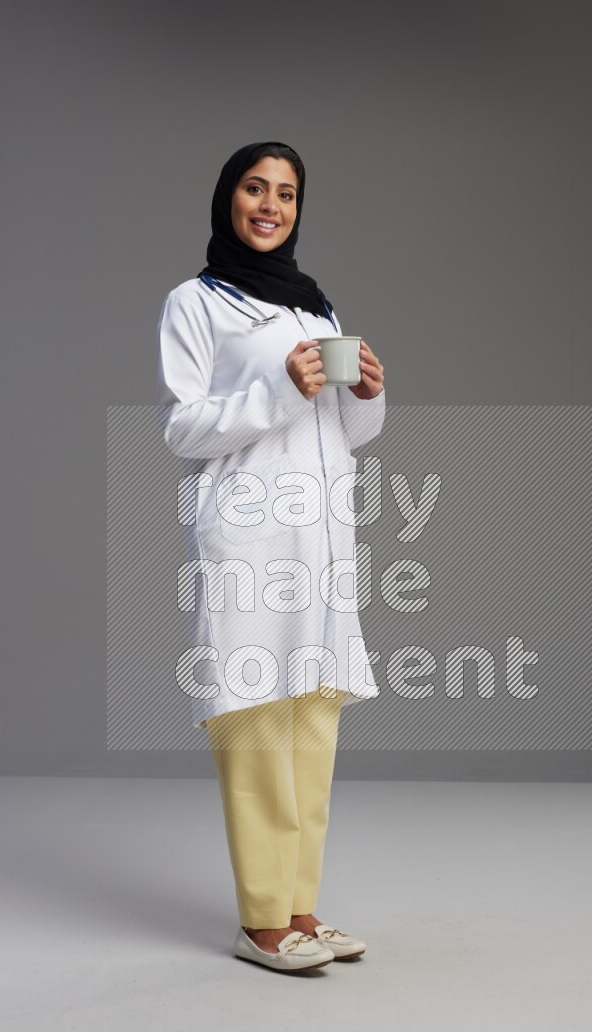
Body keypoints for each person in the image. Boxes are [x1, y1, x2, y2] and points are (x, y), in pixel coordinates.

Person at [156, 141, 386, 973]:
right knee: (254, 719)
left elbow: (345, 435)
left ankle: (300, 909)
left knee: (311, 718)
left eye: (286, 193)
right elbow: (183, 426)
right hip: (249, 538)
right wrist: (281, 387)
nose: (270, 204)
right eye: (255, 188)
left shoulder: (316, 309)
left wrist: (367, 394)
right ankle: (260, 922)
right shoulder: (196, 303)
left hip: (319, 540)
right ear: (228, 198)